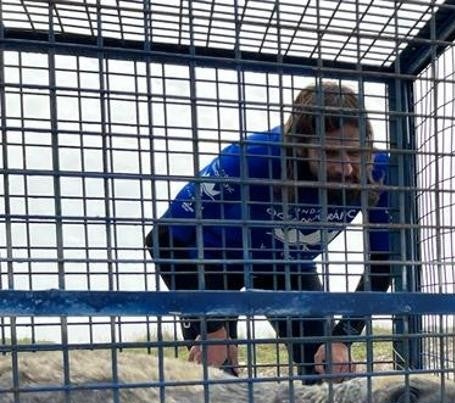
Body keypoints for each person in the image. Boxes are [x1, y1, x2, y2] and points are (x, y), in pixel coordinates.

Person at [147, 80, 393, 382]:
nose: (345, 169)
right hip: (214, 262)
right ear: (301, 146)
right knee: (215, 383)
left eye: (354, 153)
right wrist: (210, 327)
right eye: (329, 153)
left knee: (325, 370)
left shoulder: (377, 169)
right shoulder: (252, 156)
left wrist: (343, 337)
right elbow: (161, 239)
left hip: (289, 267)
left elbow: (384, 261)